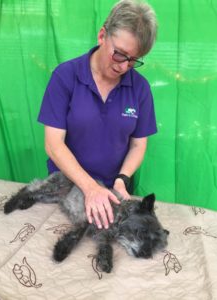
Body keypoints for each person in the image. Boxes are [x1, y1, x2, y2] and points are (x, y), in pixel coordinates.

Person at [38, 0, 157, 230]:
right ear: (102, 35)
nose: (124, 66)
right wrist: (90, 187)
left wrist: (122, 180)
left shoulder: (140, 88)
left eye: (133, 60)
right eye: (120, 54)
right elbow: (53, 144)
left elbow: (138, 145)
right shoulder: (65, 77)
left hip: (113, 190)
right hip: (66, 185)